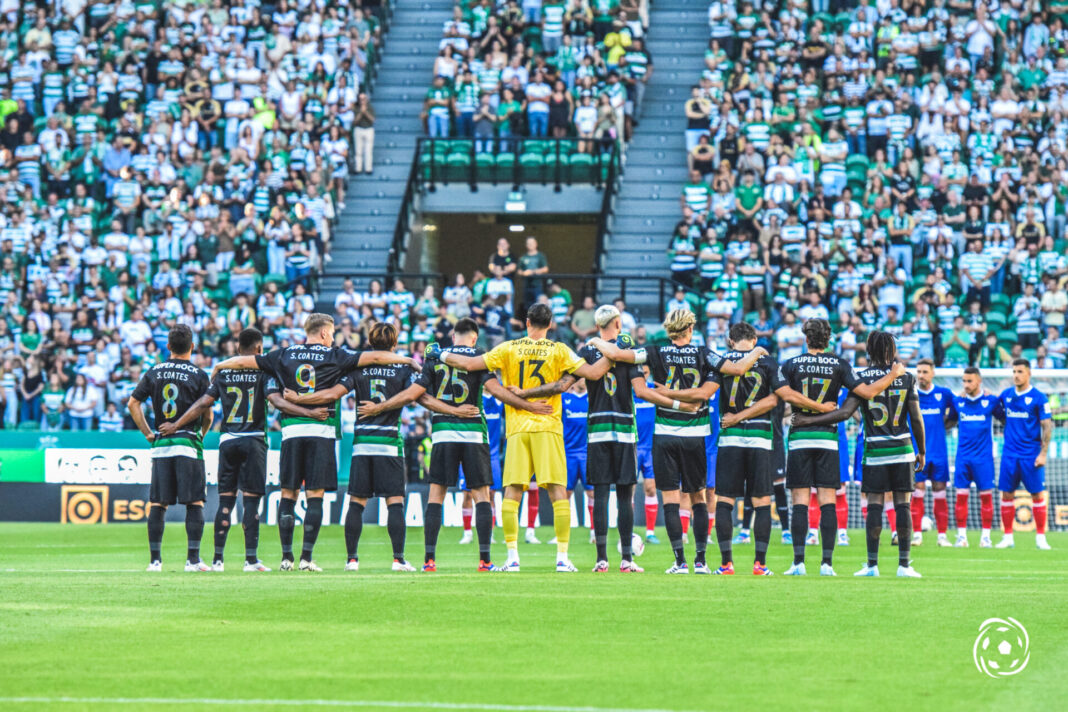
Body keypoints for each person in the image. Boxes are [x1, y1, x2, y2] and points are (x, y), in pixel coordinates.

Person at [210, 313, 417, 571]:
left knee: (288, 494)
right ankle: (307, 558)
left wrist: (220, 365)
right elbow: (375, 356)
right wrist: (409, 359)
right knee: (315, 495)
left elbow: (246, 363)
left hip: (291, 432)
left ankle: (287, 557)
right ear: (323, 333)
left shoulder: (282, 354)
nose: (332, 338)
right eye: (331, 334)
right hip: (321, 431)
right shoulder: (336, 355)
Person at [428, 303, 613, 572]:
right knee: (558, 491)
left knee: (513, 492)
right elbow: (595, 373)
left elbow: (468, 364)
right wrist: (621, 351)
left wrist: (440, 354)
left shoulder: (509, 347)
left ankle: (512, 557)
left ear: (527, 323)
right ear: (550, 324)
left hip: (517, 428)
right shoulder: (559, 350)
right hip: (548, 425)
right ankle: (562, 558)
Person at [353, 318, 548, 571]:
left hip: (443, 434)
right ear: (475, 337)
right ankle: (485, 560)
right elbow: (497, 391)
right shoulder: (480, 357)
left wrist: (380, 407)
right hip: (474, 435)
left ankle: (429, 560)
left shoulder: (435, 357)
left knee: (436, 496)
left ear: (454, 336)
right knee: (482, 497)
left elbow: (416, 395)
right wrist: (529, 405)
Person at [588, 310, 770, 574]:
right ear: (691, 329)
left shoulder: (654, 352)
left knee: (671, 499)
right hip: (695, 436)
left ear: (668, 329)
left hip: (665, 435)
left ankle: (679, 562)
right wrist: (758, 351)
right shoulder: (703, 353)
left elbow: (617, 355)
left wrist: (595, 342)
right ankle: (700, 561)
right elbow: (738, 369)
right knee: (697, 498)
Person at [158, 328, 329, 572]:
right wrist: (309, 412)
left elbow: (204, 402)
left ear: (238, 351)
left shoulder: (226, 372)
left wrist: (176, 423)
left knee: (225, 502)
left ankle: (218, 560)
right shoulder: (264, 372)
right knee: (251, 503)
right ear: (259, 350)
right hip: (254, 440)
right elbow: (276, 401)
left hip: (228, 440)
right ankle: (250, 560)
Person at [678, 321, 833, 576]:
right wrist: (822, 407)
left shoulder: (721, 361)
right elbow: (778, 398)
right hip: (761, 438)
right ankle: (759, 564)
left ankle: (726, 564)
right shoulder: (768, 362)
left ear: (730, 340)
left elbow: (705, 392)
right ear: (754, 340)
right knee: (762, 501)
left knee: (725, 500)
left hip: (730, 438)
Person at [535, 305, 683, 571]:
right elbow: (640, 390)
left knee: (600, 495)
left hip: (597, 431)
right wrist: (675, 403)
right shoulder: (628, 352)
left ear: (597, 325)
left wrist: (527, 395)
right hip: (625, 430)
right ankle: (627, 559)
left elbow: (564, 384)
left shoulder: (586, 352)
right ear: (617, 322)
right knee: (625, 496)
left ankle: (601, 559)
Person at [792, 331, 926, 578]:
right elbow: (916, 417)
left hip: (875, 450)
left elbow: (844, 413)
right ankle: (904, 566)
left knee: (874, 505)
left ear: (870, 351)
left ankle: (872, 565)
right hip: (903, 449)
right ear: (892, 351)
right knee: (902, 505)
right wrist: (921, 450)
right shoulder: (906, 377)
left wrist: (808, 420)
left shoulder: (861, 379)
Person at [128, 325, 212, 573]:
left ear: (168, 346)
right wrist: (200, 435)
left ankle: (155, 561)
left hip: (161, 445)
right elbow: (207, 414)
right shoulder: (199, 374)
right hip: (188, 443)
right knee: (195, 502)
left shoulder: (154, 371)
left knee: (158, 504)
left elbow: (133, 404)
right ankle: (193, 561)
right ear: (192, 347)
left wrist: (148, 434)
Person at [995, 359, 1053, 550]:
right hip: (1010, 454)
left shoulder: (1039, 398)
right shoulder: (1006, 395)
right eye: (1014, 371)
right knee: (1006, 494)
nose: (1016, 375)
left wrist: (1043, 453)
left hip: (1031, 455)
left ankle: (1041, 538)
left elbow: (1047, 426)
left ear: (1029, 373)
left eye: (1020, 371)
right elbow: (997, 411)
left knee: (1036, 495)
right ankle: (1008, 537)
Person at [952, 367, 1003, 549]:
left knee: (987, 498)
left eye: (969, 381)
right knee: (960, 498)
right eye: (964, 381)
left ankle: (986, 538)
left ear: (979, 381)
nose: (966, 385)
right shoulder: (957, 401)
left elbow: (1005, 419)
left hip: (984, 459)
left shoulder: (991, 401)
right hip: (963, 458)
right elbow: (948, 421)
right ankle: (961, 537)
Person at [911, 359, 958, 547]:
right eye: (919, 372)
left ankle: (942, 536)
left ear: (933, 373)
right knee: (917, 493)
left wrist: (942, 426)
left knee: (940, 493)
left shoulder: (944, 394)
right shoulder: (911, 394)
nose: (921, 376)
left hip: (938, 452)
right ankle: (917, 535)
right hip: (917, 453)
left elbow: (955, 412)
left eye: (924, 372)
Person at [635, 368, 660, 544]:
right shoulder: (629, 392)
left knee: (651, 488)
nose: (643, 375)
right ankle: (627, 530)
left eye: (645, 372)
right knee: (627, 490)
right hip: (633, 448)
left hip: (651, 448)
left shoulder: (654, 390)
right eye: (639, 372)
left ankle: (650, 532)